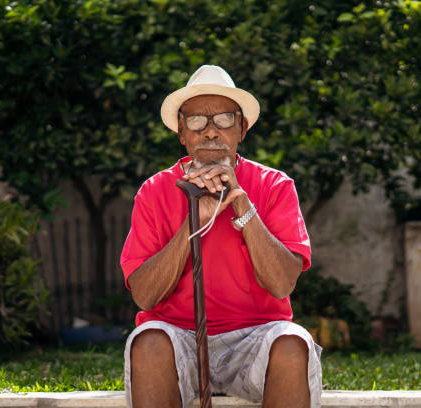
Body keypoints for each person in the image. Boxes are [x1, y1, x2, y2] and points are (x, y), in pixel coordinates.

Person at [120, 65, 322, 408]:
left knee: (292, 344)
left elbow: (282, 285)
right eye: (197, 121)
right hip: (176, 336)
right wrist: (192, 223)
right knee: (148, 342)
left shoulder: (275, 185)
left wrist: (241, 202)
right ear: (182, 133)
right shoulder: (154, 190)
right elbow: (145, 296)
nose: (211, 132)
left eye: (225, 120)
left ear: (241, 129)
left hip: (256, 336)